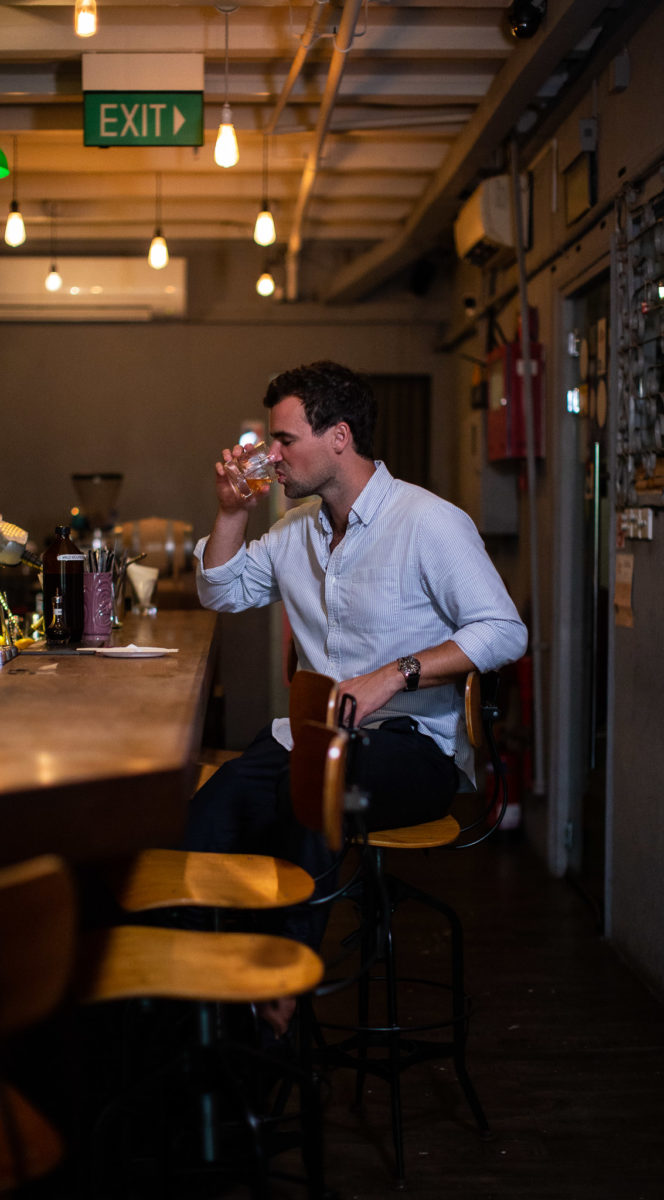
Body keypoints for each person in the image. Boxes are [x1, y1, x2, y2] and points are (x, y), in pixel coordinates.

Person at [188, 361, 527, 1033]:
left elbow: (504, 631)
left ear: (338, 436)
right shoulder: (295, 532)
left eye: (284, 440)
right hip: (314, 737)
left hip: (413, 753)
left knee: (316, 791)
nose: (271, 456)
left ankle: (278, 1006)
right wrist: (232, 512)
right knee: (208, 814)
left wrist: (395, 674)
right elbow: (220, 591)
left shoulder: (429, 522)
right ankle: (203, 1003)